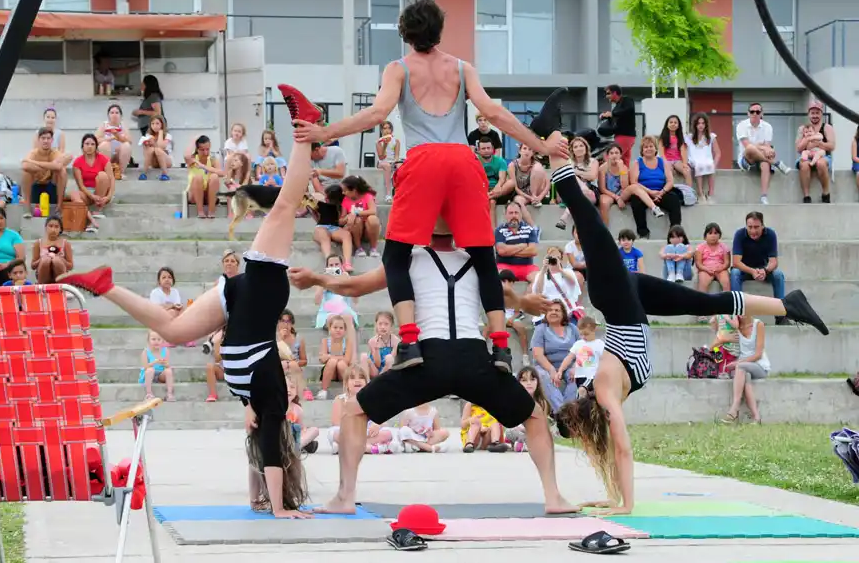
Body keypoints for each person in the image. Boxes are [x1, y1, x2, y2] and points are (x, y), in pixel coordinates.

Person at [536, 89, 828, 515]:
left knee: (588, 220)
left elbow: (622, 449)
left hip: (619, 304)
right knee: (707, 303)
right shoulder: (602, 394)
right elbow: (616, 448)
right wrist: (615, 498)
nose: (586, 442)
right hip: (628, 303)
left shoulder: (601, 390)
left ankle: (551, 136)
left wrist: (624, 506)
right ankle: (790, 306)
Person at [57, 84, 323, 519]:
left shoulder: (258, 406)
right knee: (285, 205)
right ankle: (305, 129)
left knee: (174, 331)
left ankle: (106, 286)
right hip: (255, 298)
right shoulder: (266, 407)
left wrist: (270, 501)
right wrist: (277, 508)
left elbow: (266, 452)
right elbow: (271, 451)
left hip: (243, 301)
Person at [291, 0, 569, 374]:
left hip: (422, 161)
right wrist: (541, 145)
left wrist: (326, 131)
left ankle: (409, 342)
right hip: (462, 160)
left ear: (404, 33)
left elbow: (377, 113)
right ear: (440, 31)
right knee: (485, 258)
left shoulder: (399, 69)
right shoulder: (462, 67)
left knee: (396, 258)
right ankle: (501, 349)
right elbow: (492, 112)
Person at [287, 217, 575, 515]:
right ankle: (553, 496)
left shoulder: (408, 260)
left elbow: (356, 286)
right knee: (535, 416)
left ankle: (345, 497)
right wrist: (527, 304)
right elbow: (507, 296)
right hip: (472, 359)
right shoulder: (476, 262)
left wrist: (317, 279)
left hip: (425, 359)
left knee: (354, 410)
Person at [601, 85, 636, 161]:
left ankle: (608, 173)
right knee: (624, 160)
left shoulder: (627, 100)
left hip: (625, 136)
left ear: (615, 93)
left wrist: (612, 114)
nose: (607, 96)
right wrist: (606, 116)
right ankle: (624, 173)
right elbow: (616, 120)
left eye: (608, 93)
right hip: (621, 136)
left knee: (610, 158)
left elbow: (629, 109)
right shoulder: (616, 107)